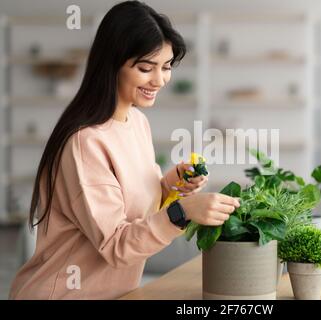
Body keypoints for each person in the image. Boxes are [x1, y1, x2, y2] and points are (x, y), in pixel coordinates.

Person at [9, 1, 240, 300]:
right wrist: (183, 211)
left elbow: (137, 213)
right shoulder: (85, 143)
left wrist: (170, 185)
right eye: (146, 68)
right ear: (112, 64)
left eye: (166, 67)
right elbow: (117, 245)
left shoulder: (136, 122)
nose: (159, 80)